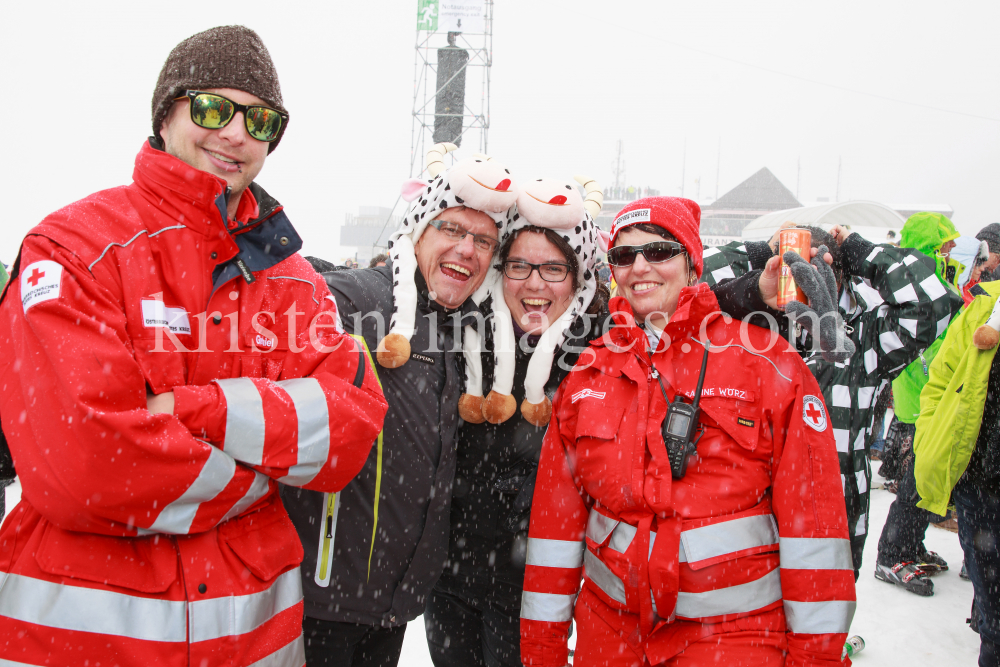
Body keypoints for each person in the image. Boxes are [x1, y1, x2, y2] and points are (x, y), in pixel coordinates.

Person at [0, 25, 388, 667]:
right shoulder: (73, 248)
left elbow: (347, 428)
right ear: (166, 112)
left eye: (261, 120)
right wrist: (260, 479)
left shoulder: (290, 276)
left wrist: (188, 412)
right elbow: (84, 469)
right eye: (213, 108)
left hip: (255, 643)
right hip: (84, 641)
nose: (236, 134)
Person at [520, 197, 855, 667]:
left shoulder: (768, 363)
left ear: (693, 264)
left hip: (736, 638)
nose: (639, 266)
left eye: (658, 251)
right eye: (623, 255)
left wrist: (816, 659)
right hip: (609, 637)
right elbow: (555, 530)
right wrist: (542, 652)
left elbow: (815, 529)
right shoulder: (587, 373)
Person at [282, 143, 518, 667]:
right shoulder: (356, 302)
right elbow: (274, 317)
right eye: (451, 230)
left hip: (391, 608)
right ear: (416, 233)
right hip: (318, 600)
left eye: (482, 239)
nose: (466, 249)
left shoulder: (465, 334)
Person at [700, 220, 964, 579]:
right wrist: (766, 252)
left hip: (832, 513)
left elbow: (935, 299)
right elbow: (691, 279)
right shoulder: (747, 330)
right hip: (747, 514)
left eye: (817, 271)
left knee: (825, 616)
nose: (804, 284)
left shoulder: (865, 340)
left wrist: (858, 250)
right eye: (794, 273)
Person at [425, 177, 606, 667]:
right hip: (452, 578)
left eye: (553, 268)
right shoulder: (460, 333)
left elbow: (681, 311)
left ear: (579, 277)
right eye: (520, 265)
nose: (533, 284)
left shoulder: (607, 349)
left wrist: (754, 287)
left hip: (546, 590)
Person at [874, 215, 974, 594]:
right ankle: (891, 554)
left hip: (933, 397)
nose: (951, 252)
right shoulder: (915, 283)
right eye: (944, 245)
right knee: (916, 482)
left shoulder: (940, 280)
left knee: (925, 480)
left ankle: (910, 545)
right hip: (922, 398)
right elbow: (921, 342)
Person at [913, 282, 1000, 667]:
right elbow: (939, 381)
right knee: (993, 607)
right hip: (980, 484)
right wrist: (931, 440)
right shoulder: (983, 308)